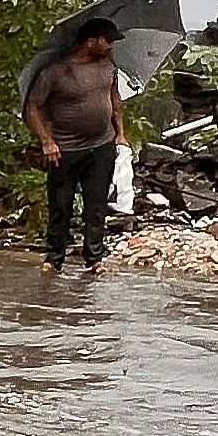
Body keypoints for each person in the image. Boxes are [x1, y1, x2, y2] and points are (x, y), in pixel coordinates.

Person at [26, 18, 126, 274]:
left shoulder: (107, 66)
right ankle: (54, 258)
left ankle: (94, 258)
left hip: (101, 145)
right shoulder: (56, 72)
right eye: (108, 40)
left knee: (96, 204)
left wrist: (121, 134)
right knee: (61, 205)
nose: (112, 46)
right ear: (90, 42)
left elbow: (114, 99)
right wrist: (46, 141)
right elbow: (33, 106)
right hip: (65, 148)